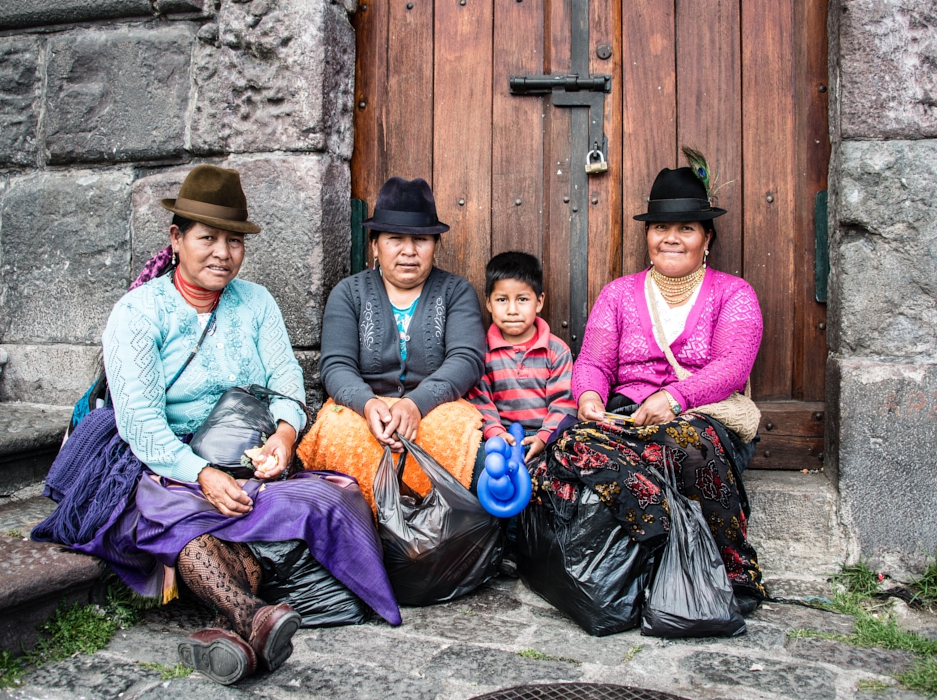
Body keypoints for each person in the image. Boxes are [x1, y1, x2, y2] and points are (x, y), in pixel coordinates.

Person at [33, 165, 401, 685]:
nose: (222, 254)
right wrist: (201, 473)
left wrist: (284, 436)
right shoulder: (139, 314)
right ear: (176, 239)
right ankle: (253, 617)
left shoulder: (257, 303)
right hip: (164, 458)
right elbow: (140, 422)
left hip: (249, 455)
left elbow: (287, 384)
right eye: (207, 238)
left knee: (332, 498)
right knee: (178, 512)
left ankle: (232, 626)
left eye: (234, 241)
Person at [547, 156, 767, 613]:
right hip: (629, 415)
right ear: (647, 237)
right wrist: (588, 394)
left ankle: (731, 569)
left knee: (686, 445)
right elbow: (592, 361)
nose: (670, 237)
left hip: (702, 419)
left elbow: (732, 366)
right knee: (566, 444)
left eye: (686, 228)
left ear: (707, 239)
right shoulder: (620, 294)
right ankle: (663, 545)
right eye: (660, 228)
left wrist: (674, 396)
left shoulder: (734, 294)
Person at [299, 176, 486, 510]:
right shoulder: (349, 293)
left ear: (435, 246)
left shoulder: (456, 291)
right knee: (339, 435)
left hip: (435, 407)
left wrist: (416, 404)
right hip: (361, 408)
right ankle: (357, 538)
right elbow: (336, 365)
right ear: (374, 245)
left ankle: (431, 545)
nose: (409, 251)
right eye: (395, 239)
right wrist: (368, 404)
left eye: (421, 240)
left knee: (460, 439)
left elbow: (467, 358)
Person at [466, 252, 576, 464]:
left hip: (546, 439)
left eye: (523, 299)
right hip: (499, 440)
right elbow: (480, 402)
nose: (512, 310)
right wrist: (496, 433)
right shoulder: (482, 351)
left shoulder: (556, 351)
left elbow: (563, 403)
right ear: (488, 303)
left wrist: (545, 437)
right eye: (502, 300)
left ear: (539, 301)